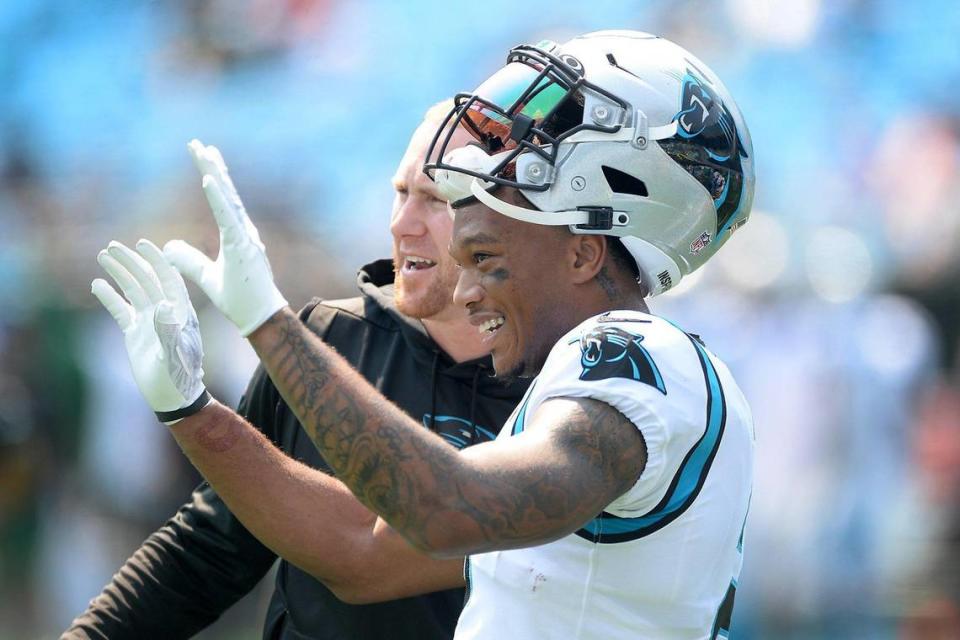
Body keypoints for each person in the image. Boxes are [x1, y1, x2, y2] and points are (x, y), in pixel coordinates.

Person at [93, 30, 756, 638]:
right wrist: (195, 413)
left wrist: (268, 325)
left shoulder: (640, 359)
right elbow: (362, 549)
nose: (468, 289)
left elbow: (443, 509)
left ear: (584, 252)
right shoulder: (592, 377)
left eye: (489, 254)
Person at [65, 106, 529, 639]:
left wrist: (203, 401)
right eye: (400, 193)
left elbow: (364, 555)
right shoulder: (329, 338)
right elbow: (215, 544)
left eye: (436, 199)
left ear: (506, 217)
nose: (401, 223)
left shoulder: (564, 381)